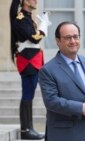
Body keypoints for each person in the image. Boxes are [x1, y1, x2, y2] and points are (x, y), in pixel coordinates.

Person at [9, 0, 51, 139]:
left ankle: (29, 128)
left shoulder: (27, 18)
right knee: (27, 94)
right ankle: (26, 130)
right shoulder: (20, 19)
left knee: (29, 95)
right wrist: (44, 25)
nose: (36, 1)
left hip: (32, 61)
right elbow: (34, 38)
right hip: (28, 62)